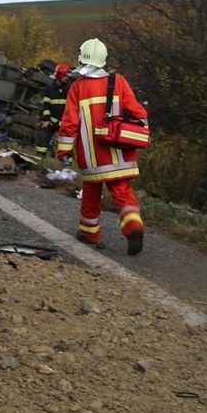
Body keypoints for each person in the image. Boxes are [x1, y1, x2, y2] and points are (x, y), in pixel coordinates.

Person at [57, 38, 149, 255]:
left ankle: (90, 233)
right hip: (119, 154)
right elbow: (140, 115)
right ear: (103, 60)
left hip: (92, 158)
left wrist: (64, 152)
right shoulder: (118, 82)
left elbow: (69, 124)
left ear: (81, 58)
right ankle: (133, 226)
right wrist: (136, 133)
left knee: (91, 194)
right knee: (123, 193)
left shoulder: (77, 88)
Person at [34, 62, 72, 157]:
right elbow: (46, 106)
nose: (67, 78)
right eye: (65, 76)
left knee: (68, 142)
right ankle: (40, 156)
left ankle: (65, 160)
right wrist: (46, 119)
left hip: (65, 122)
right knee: (43, 133)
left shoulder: (70, 89)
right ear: (59, 75)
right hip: (52, 120)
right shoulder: (49, 89)